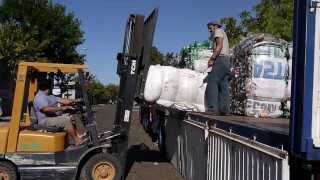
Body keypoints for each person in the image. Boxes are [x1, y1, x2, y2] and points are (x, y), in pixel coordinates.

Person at [33, 79, 84, 145]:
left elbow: (64, 100)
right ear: (48, 87)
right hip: (44, 120)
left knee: (70, 115)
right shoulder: (40, 97)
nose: (52, 87)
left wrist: (78, 100)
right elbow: (45, 109)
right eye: (51, 86)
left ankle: (78, 135)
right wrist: (62, 108)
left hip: (50, 117)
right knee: (66, 120)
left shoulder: (48, 95)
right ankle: (77, 141)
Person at [206, 21, 231, 115]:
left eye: (210, 27)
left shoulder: (218, 31)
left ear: (215, 26)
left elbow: (219, 45)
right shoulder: (223, 32)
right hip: (227, 61)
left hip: (220, 59)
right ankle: (225, 110)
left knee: (212, 82)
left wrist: (212, 58)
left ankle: (212, 109)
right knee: (223, 84)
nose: (209, 30)